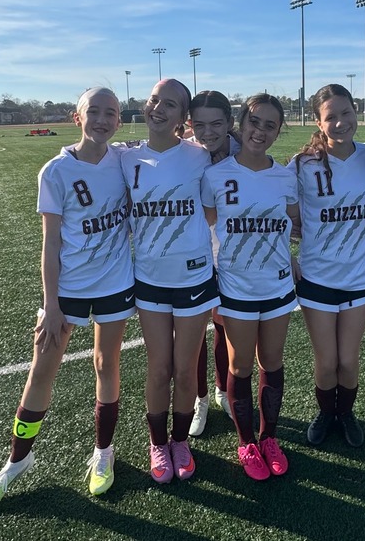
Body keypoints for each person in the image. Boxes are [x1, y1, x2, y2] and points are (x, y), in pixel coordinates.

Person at [0, 87, 135, 511]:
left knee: (107, 363)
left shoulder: (125, 160)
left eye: (111, 113)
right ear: (76, 117)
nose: (102, 119)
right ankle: (17, 461)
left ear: (119, 120)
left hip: (116, 284)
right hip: (68, 292)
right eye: (94, 112)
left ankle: (103, 453)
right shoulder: (55, 171)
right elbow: (50, 244)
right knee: (42, 371)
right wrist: (52, 304)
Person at [120, 78, 219, 484]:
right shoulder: (124, 158)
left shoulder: (200, 156)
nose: (159, 108)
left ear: (184, 118)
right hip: (149, 279)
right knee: (159, 368)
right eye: (154, 100)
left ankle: (181, 442)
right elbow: (81, 156)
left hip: (194, 276)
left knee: (185, 367)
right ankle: (158, 442)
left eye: (171, 104)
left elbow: (212, 211)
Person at [201, 94, 299, 481]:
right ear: (240, 123)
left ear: (278, 131)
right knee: (240, 366)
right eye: (254, 122)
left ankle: (269, 437)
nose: (260, 131)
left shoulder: (285, 176)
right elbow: (209, 228)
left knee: (271, 363)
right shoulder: (215, 175)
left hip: (276, 286)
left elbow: (292, 221)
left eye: (270, 126)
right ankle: (246, 443)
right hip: (235, 287)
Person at [288, 84, 365, 448]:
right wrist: (291, 248)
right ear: (318, 121)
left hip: (358, 274)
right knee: (326, 362)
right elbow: (286, 218)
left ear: (355, 112)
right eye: (331, 117)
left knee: (348, 359)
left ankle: (346, 413)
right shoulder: (302, 164)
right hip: (317, 276)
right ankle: (327, 413)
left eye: (346, 113)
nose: (340, 122)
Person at [187, 90, 240, 436]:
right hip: (189, 254)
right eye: (200, 125)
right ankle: (200, 399)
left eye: (216, 123)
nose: (208, 132)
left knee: (224, 326)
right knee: (193, 333)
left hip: (230, 256)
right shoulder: (185, 153)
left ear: (230, 123)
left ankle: (223, 390)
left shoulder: (244, 153)